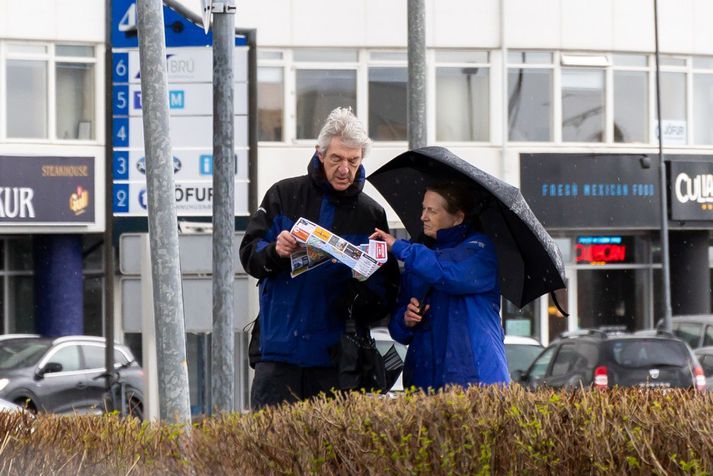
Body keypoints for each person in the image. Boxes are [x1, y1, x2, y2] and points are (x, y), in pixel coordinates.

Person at [240, 107, 399, 409]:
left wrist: (361, 280)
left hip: (336, 363)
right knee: (269, 451)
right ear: (320, 153)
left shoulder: (371, 214)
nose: (345, 169)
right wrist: (276, 251)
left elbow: (384, 296)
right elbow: (249, 256)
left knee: (329, 455)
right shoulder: (283, 195)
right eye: (337, 159)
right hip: (279, 354)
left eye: (353, 161)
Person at [370, 181, 510, 391]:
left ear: (458, 217)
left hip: (473, 377)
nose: (423, 217)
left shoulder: (480, 250)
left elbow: (448, 273)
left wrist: (401, 248)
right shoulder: (421, 255)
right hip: (424, 379)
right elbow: (398, 331)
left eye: (432, 211)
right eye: (423, 208)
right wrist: (406, 320)